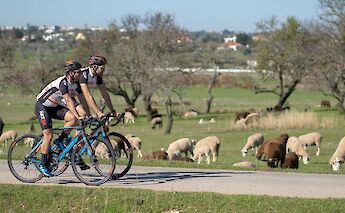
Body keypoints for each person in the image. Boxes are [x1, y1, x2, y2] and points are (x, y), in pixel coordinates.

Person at [35, 60, 88, 176]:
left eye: (80, 72)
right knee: (48, 135)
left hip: (54, 107)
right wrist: (77, 115)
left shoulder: (75, 83)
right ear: (70, 73)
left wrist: (85, 114)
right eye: (77, 72)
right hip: (42, 106)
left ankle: (61, 140)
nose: (80, 74)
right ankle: (43, 164)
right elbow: (69, 101)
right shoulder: (62, 82)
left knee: (72, 119)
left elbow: (81, 100)